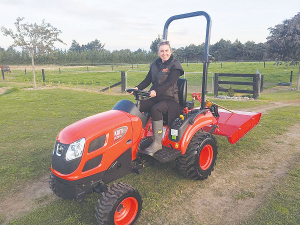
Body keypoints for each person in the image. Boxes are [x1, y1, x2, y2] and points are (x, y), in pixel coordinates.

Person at [133, 40, 184, 155]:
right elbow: (148, 80)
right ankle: (137, 137)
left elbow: (170, 82)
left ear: (170, 51)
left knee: (156, 108)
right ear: (158, 52)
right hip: (156, 97)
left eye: (166, 50)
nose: (164, 53)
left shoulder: (175, 65)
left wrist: (156, 91)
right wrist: (137, 88)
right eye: (162, 51)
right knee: (139, 106)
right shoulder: (155, 64)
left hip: (170, 100)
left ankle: (157, 143)